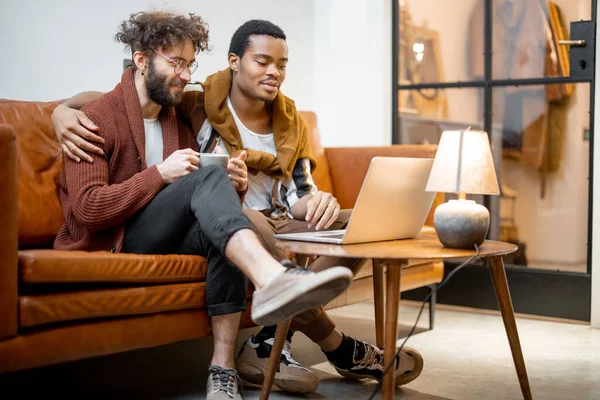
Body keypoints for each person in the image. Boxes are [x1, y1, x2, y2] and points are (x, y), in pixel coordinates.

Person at [52, 19, 424, 394]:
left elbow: (214, 197)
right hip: (118, 237)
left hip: (174, 229)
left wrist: (239, 188)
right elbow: (88, 209)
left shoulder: (174, 115)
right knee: (213, 186)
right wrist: (63, 111)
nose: (184, 75)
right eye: (175, 63)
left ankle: (223, 367)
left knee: (226, 225)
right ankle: (315, 323)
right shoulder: (101, 118)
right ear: (141, 60)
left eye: (189, 64)